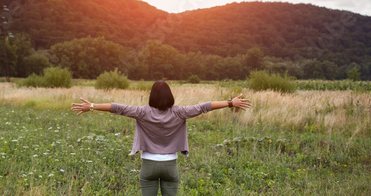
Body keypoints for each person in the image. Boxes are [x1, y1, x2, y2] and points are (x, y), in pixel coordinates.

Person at [71, 81, 251, 196]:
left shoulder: (142, 112)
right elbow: (204, 107)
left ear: (152, 96)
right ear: (169, 95)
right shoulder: (180, 112)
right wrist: (229, 103)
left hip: (148, 165)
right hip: (170, 166)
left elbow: (118, 108)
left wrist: (92, 106)